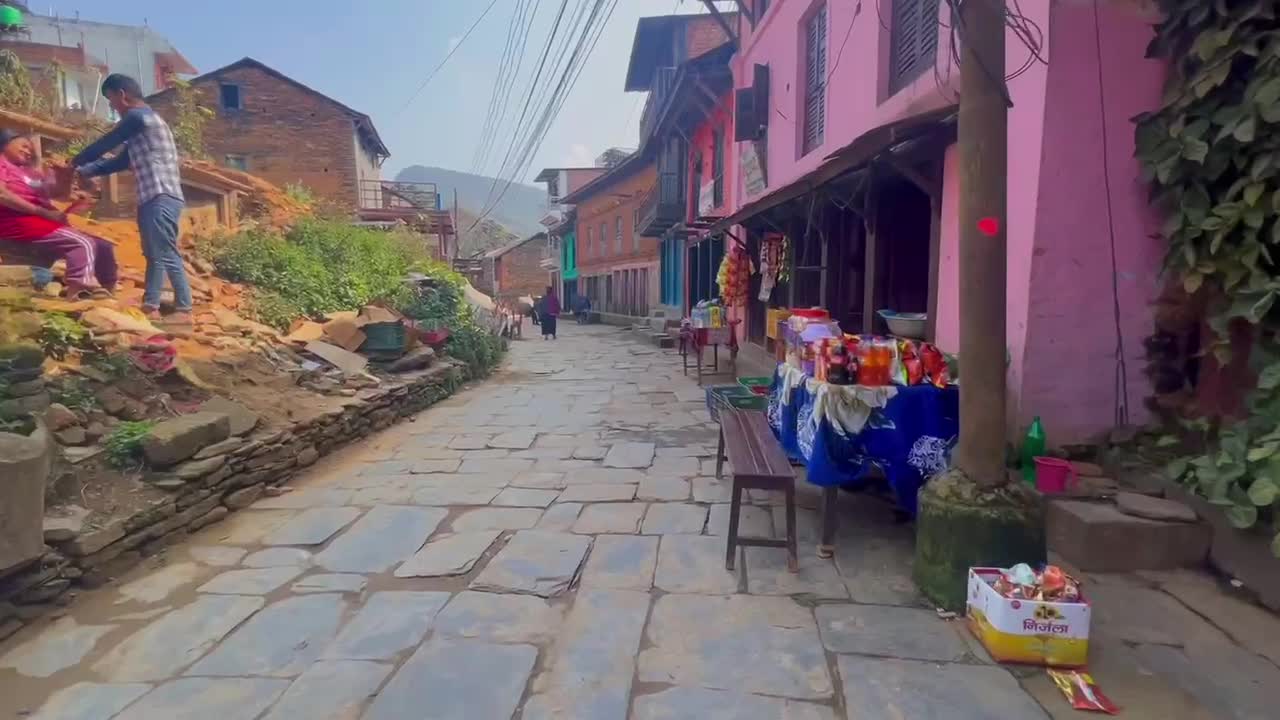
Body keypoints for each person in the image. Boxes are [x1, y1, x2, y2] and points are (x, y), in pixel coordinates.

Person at [72, 73, 191, 323]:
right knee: (153, 253)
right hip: (151, 196)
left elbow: (108, 141)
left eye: (110, 99)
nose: (112, 106)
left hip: (161, 194)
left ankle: (184, 310)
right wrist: (84, 170)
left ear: (121, 95)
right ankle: (152, 306)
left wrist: (74, 161)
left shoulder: (140, 117)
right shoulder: (141, 128)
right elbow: (119, 161)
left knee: (165, 251)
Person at [0, 130, 117, 299]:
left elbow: (59, 194)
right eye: (24, 146)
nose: (28, 151)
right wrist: (42, 212)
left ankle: (108, 292)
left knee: (103, 247)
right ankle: (78, 290)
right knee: (81, 242)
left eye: (31, 149)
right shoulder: (2, 164)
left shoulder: (29, 173)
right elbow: (2, 195)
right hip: (15, 220)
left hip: (39, 221)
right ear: (6, 143)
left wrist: (65, 175)